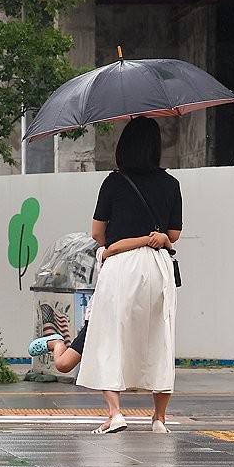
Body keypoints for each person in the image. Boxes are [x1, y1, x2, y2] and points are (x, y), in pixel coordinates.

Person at [76, 117, 182, 435]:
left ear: (124, 147)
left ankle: (116, 413)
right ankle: (159, 419)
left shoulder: (114, 182)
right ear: (156, 147)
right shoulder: (171, 184)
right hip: (158, 264)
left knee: (110, 335)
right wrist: (156, 236)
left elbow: (98, 233)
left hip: (121, 263)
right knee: (160, 337)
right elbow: (174, 233)